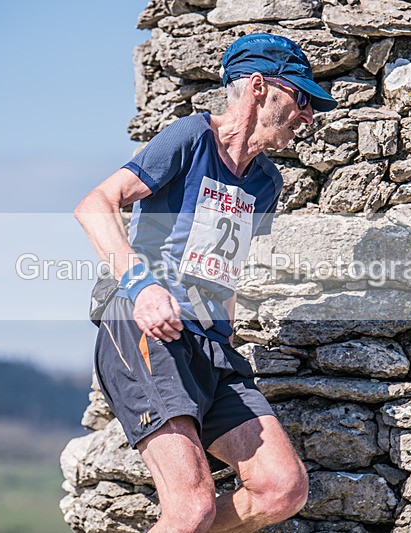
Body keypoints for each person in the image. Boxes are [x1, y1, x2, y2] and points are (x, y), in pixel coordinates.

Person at [74, 33, 338, 532]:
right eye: (300, 98)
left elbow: (224, 268)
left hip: (212, 345)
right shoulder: (192, 137)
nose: (308, 116)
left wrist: (226, 335)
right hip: (147, 327)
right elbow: (95, 204)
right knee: (191, 506)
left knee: (281, 489)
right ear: (258, 88)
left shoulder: (266, 183)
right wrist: (142, 288)